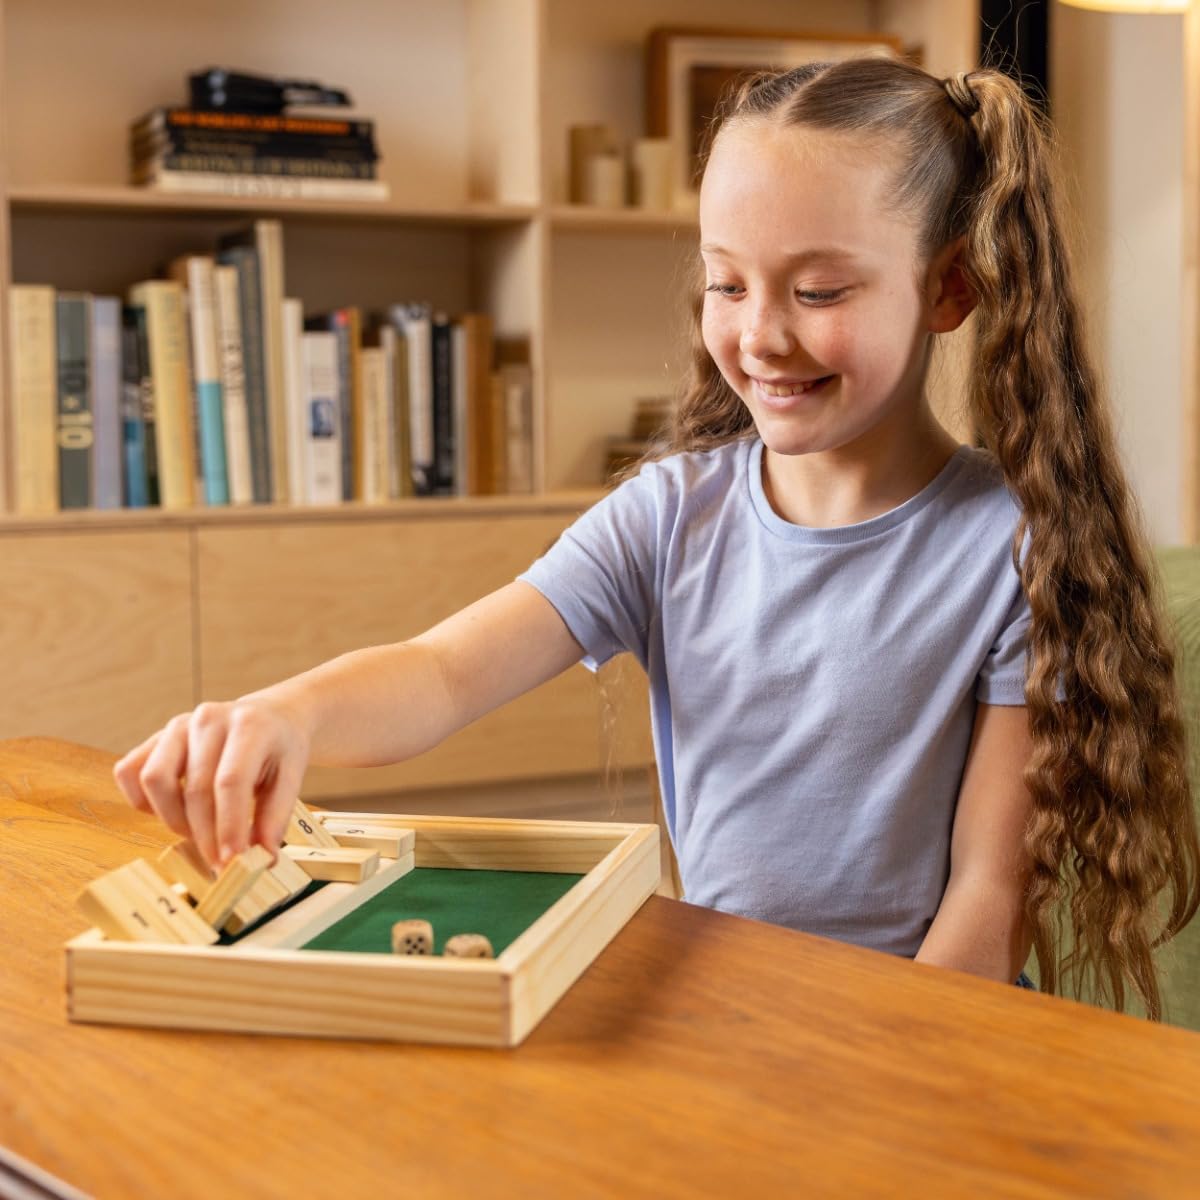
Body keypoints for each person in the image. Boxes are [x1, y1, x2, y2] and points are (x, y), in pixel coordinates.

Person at [114, 57, 1199, 1021]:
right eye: (727, 282)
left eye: (818, 289)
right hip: (729, 1015)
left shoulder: (1008, 551)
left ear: (950, 286)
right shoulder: (668, 516)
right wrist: (285, 716)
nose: (760, 333)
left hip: (926, 1037)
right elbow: (443, 674)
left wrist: (879, 1078)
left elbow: (986, 903)